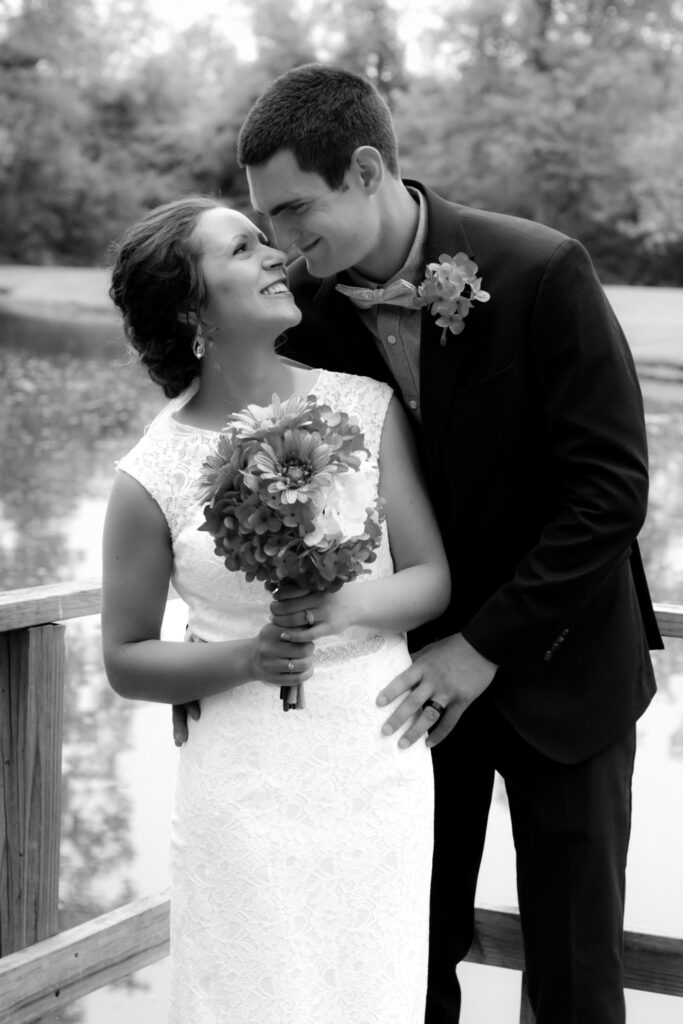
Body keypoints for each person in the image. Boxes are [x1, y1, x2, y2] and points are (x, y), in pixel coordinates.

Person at [231, 63, 664, 1024]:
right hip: (406, 695)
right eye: (267, 224)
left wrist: (483, 646)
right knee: (403, 958)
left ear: (369, 167)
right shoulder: (305, 321)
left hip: (566, 673)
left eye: (298, 211)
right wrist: (217, 653)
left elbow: (609, 494)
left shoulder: (543, 269)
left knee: (573, 972)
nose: (286, 246)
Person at [102, 195, 451, 1023]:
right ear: (192, 309)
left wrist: (341, 606)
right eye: (242, 249)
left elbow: (431, 577)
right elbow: (125, 658)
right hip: (243, 785)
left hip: (374, 757)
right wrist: (246, 658)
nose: (273, 256)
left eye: (267, 241)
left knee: (376, 990)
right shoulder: (147, 476)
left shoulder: (364, 407)